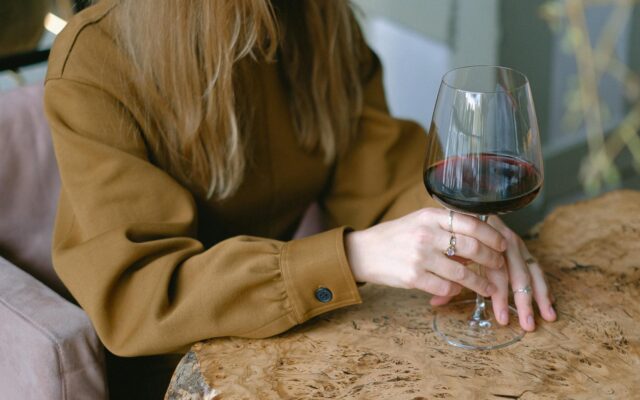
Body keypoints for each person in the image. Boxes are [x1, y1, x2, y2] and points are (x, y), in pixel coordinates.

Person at [45, 0, 556, 397]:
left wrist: (458, 233)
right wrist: (350, 255)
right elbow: (139, 296)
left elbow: (375, 169)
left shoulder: (315, 20)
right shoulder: (95, 59)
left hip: (291, 334)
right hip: (174, 367)